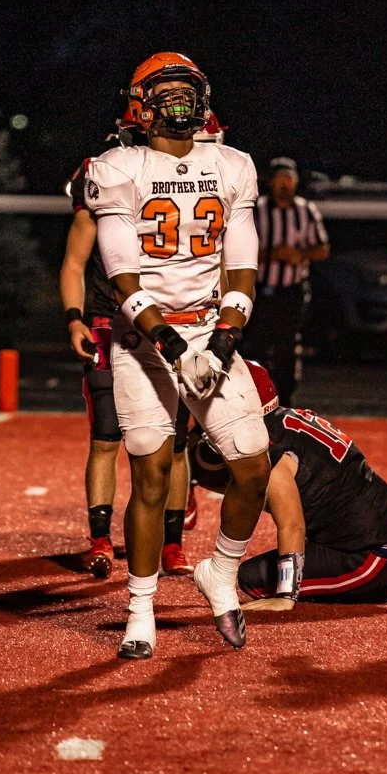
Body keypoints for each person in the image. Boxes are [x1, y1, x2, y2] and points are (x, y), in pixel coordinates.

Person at [84, 52, 271, 660]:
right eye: (165, 92)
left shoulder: (232, 164)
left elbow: (242, 263)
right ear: (139, 106)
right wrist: (170, 346)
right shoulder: (118, 167)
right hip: (144, 340)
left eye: (186, 90)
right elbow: (121, 275)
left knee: (253, 464)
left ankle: (221, 570)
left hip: (209, 328)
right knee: (151, 472)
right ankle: (140, 607)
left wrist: (222, 341)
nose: (179, 101)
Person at [189, 360, 387, 608]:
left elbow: (292, 525)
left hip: (375, 551)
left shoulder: (269, 450)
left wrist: (285, 596)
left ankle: (384, 582)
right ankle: (378, 578)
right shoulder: (284, 420)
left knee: (254, 580)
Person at [60, 146, 193, 579]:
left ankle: (172, 543)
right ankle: (100, 538)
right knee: (106, 435)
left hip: (172, 324)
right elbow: (74, 262)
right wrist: (74, 319)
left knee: (175, 442)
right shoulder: (102, 196)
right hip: (109, 321)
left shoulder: (189, 187)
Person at [246, 156, 330, 405]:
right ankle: (257, 398)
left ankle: (285, 400)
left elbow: (323, 248)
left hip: (292, 290)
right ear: (271, 182)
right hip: (261, 290)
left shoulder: (306, 210)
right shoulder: (257, 209)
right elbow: (239, 249)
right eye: (280, 179)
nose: (284, 184)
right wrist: (272, 254)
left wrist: (300, 254)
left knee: (288, 346)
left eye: (289, 179)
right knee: (257, 346)